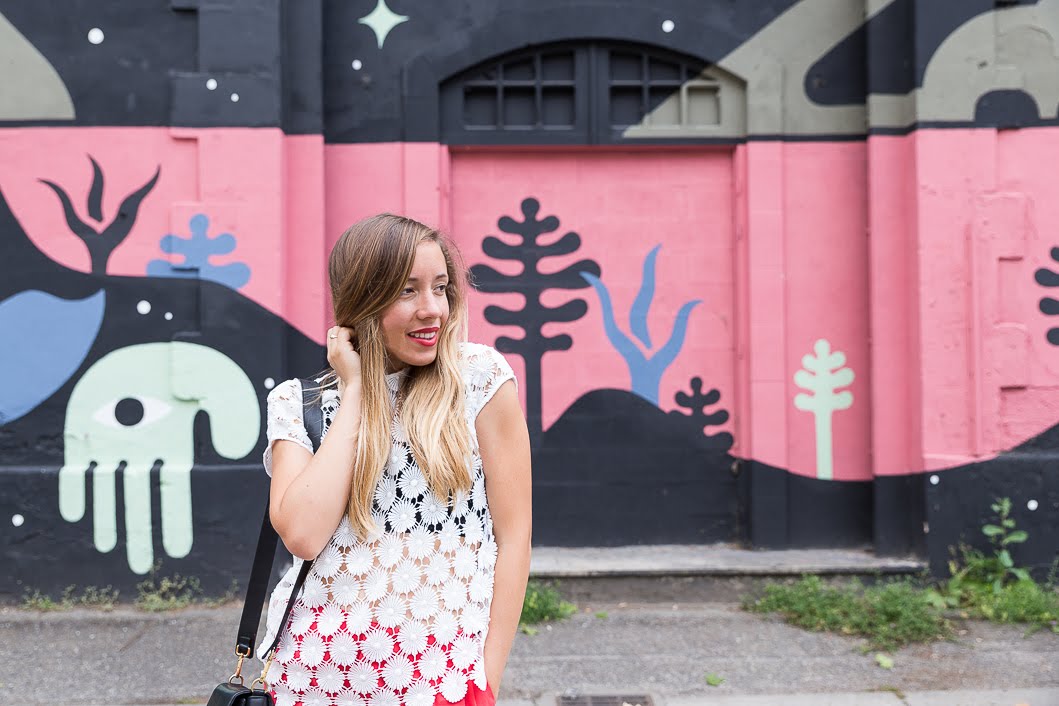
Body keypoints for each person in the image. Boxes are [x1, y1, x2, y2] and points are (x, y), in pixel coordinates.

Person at [257, 213, 532, 706]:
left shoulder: (481, 382)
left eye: (441, 288)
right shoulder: (299, 403)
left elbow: (514, 540)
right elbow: (302, 534)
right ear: (361, 300)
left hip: (441, 681)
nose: (433, 310)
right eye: (408, 291)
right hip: (316, 680)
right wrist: (357, 390)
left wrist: (487, 678)